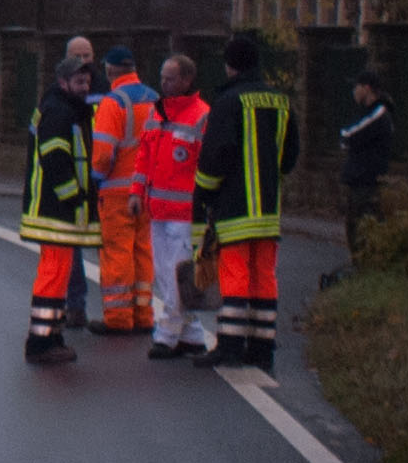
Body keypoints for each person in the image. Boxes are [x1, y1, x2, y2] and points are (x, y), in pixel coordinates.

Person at [195, 32, 300, 369]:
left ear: (229, 66)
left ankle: (229, 346)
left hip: (234, 209)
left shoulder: (228, 102)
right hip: (269, 211)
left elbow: (215, 157)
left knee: (235, 274)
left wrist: (204, 195)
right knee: (264, 276)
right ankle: (261, 348)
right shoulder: (281, 102)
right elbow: (289, 156)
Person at [20, 48, 98, 362]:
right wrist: (73, 196)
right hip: (54, 211)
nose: (85, 87)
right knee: (53, 275)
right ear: (63, 82)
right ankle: (40, 343)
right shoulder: (58, 111)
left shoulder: (64, 108)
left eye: (87, 81)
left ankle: (51, 335)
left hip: (56, 210)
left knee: (58, 275)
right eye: (79, 81)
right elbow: (54, 159)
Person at [144, 52, 212, 359]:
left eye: (170, 78)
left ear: (187, 79)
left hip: (185, 213)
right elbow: (144, 156)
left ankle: (168, 334)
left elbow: (206, 164)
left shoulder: (202, 115)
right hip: (157, 207)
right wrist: (137, 192)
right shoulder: (156, 111)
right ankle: (192, 334)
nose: (164, 83)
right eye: (162, 78)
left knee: (177, 274)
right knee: (164, 273)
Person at [88, 47, 159, 336]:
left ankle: (118, 317)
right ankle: (143, 314)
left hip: (117, 192)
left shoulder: (113, 102)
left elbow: (103, 154)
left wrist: (95, 179)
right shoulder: (155, 99)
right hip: (148, 190)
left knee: (117, 252)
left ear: (109, 70)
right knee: (143, 251)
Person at [337, 72, 394, 255]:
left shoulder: (378, 114)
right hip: (358, 179)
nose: (354, 91)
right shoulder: (365, 112)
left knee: (362, 229)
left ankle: (365, 264)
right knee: (353, 228)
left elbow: (347, 135)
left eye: (357, 86)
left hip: (367, 182)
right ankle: (359, 262)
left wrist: (347, 140)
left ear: (367, 88)